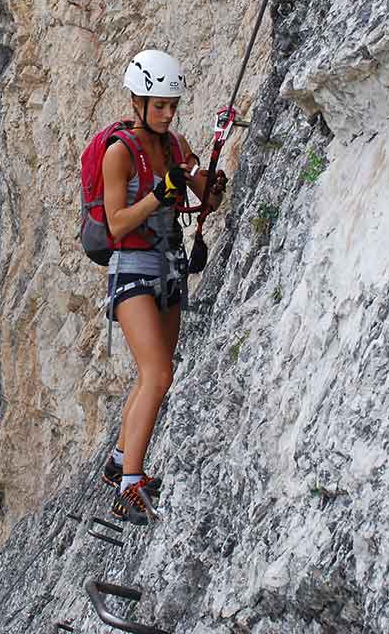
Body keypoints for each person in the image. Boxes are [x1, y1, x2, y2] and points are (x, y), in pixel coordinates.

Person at [99, 49, 226, 525]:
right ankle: (130, 486)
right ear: (137, 101)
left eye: (173, 105)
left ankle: (117, 460)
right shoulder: (119, 154)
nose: (169, 113)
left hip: (170, 267)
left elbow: (204, 196)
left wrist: (208, 180)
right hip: (131, 267)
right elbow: (116, 223)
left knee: (155, 370)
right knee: (159, 375)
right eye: (160, 105)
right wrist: (158, 192)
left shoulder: (176, 145)